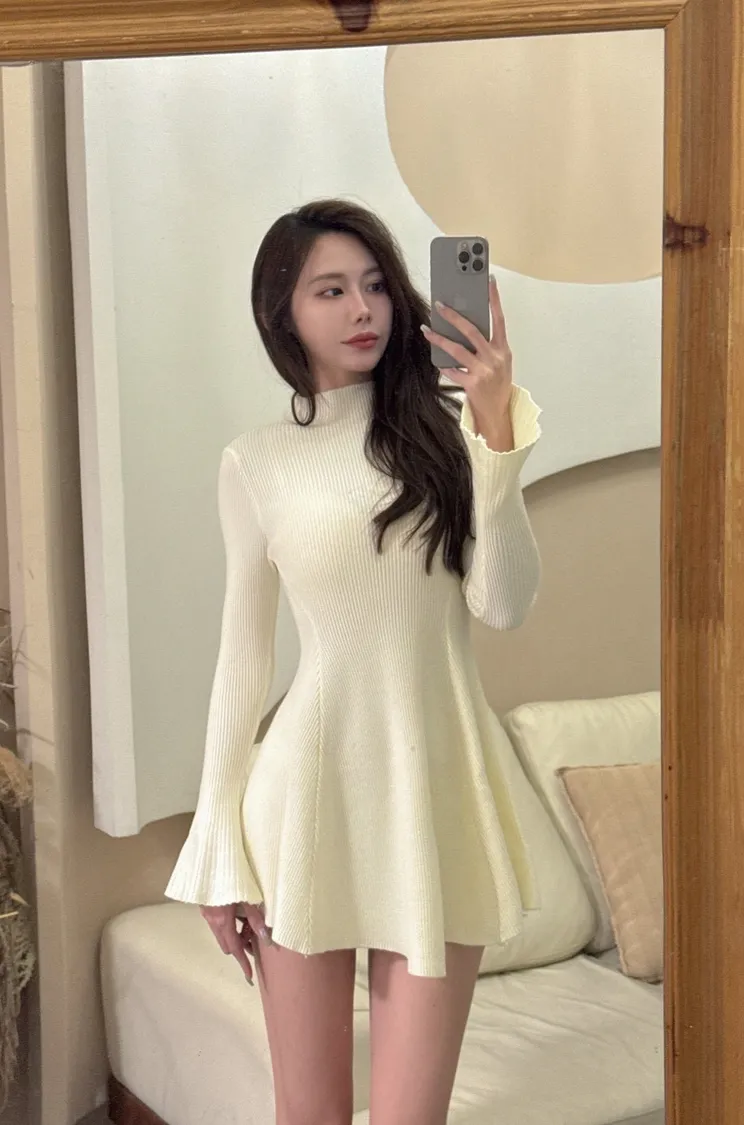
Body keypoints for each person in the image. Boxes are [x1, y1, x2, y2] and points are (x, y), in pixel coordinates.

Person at [165, 198, 542, 1125]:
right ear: (282, 312)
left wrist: (497, 431)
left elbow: (503, 604)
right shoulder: (255, 462)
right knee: (309, 1114)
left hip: (436, 800)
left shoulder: (451, 437)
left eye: (374, 283)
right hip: (304, 804)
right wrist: (218, 853)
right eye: (329, 290)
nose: (362, 308)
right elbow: (242, 660)